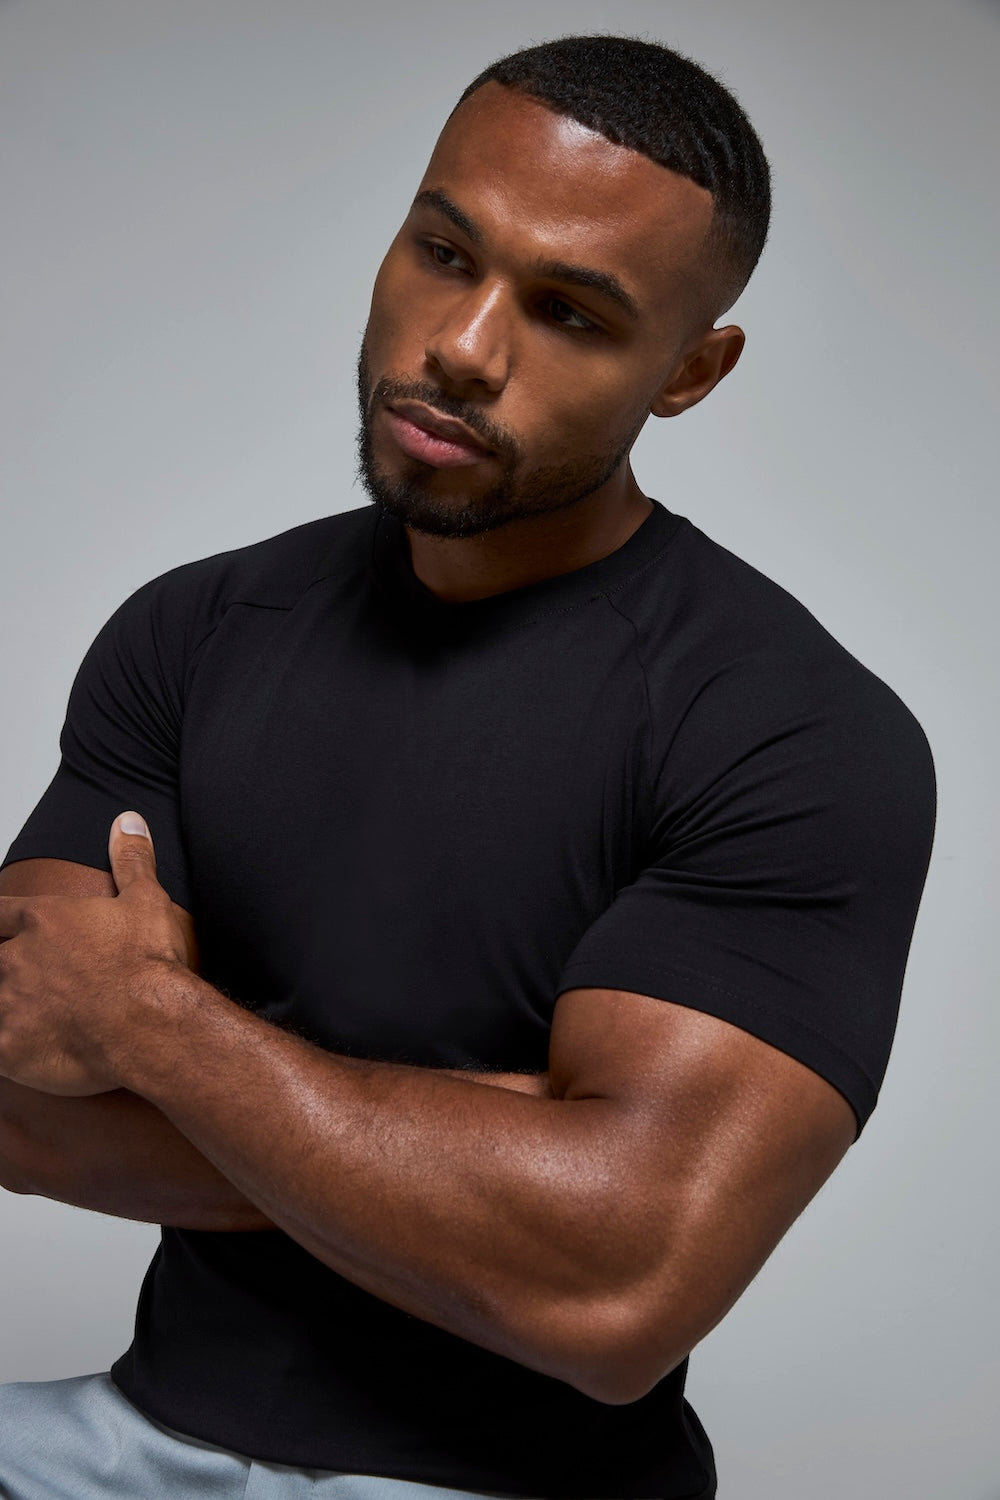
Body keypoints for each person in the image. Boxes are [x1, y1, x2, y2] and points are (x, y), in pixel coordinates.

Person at [0, 33, 934, 1500]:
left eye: (570, 311)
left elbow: (617, 1291)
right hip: (119, 1446)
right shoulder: (193, 634)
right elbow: (19, 1099)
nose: (464, 346)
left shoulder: (789, 731)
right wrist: (488, 1158)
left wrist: (158, 1028)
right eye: (444, 252)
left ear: (691, 371)